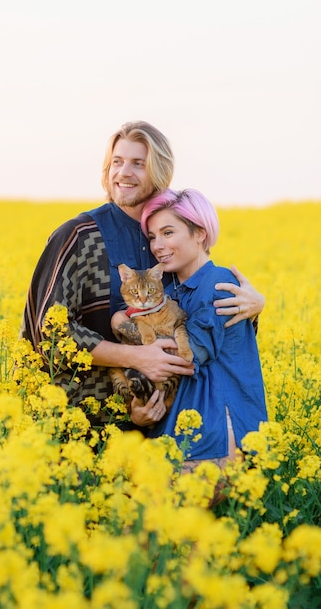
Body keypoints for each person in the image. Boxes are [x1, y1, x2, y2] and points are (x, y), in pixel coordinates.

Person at [20, 121, 264, 425]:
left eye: (138, 163)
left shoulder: (165, 245)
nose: (123, 172)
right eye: (117, 162)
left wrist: (250, 309)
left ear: (160, 172)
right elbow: (50, 334)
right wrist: (133, 356)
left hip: (151, 428)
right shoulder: (79, 236)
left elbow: (199, 314)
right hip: (72, 425)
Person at [119, 188, 267, 467]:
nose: (157, 246)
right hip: (183, 433)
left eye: (168, 233)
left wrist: (123, 325)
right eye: (152, 237)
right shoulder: (171, 291)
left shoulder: (219, 283)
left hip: (217, 435)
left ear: (199, 233)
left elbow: (182, 358)